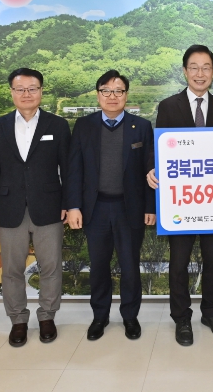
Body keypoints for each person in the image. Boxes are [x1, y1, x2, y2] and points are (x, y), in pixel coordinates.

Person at [147, 44, 213, 346]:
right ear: (185, 71)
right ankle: (181, 318)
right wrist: (152, 169)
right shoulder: (168, 106)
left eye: (206, 67)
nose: (200, 73)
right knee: (179, 262)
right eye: (194, 67)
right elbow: (159, 148)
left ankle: (211, 312)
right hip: (180, 201)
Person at [0, 68, 71, 347]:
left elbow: (68, 169)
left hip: (50, 207)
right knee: (11, 269)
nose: (26, 94)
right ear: (11, 92)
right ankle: (18, 319)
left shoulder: (57, 125)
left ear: (41, 91)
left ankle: (47, 316)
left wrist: (68, 203)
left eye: (32, 88)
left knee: (51, 266)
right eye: (20, 89)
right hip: (9, 208)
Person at [65, 70, 156, 341]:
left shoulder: (141, 126)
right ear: (98, 95)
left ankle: (130, 316)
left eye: (118, 91)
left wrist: (150, 208)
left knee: (130, 266)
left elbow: (150, 171)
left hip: (130, 209)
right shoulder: (84, 126)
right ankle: (100, 316)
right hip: (96, 209)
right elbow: (74, 169)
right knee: (99, 266)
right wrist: (73, 206)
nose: (112, 96)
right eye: (106, 90)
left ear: (126, 95)